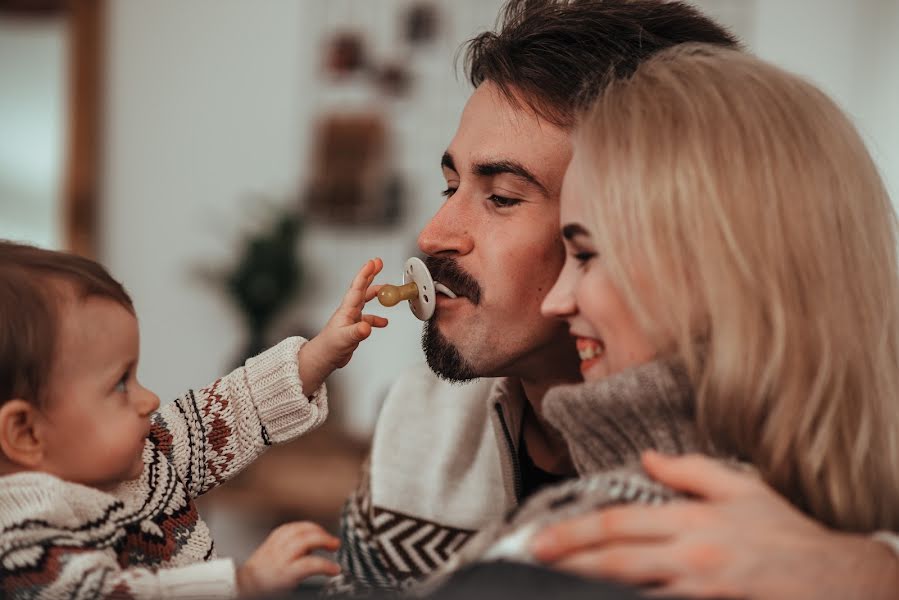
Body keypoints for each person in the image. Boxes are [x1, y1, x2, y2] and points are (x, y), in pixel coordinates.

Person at [332, 1, 899, 598]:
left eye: (501, 197)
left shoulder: (804, 468)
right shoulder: (418, 422)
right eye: (450, 186)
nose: (433, 234)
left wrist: (868, 570)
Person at [0, 241, 388, 599]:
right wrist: (243, 583)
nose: (148, 398)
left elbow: (233, 408)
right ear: (25, 432)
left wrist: (318, 356)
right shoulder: (22, 544)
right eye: (120, 384)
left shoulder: (146, 459)